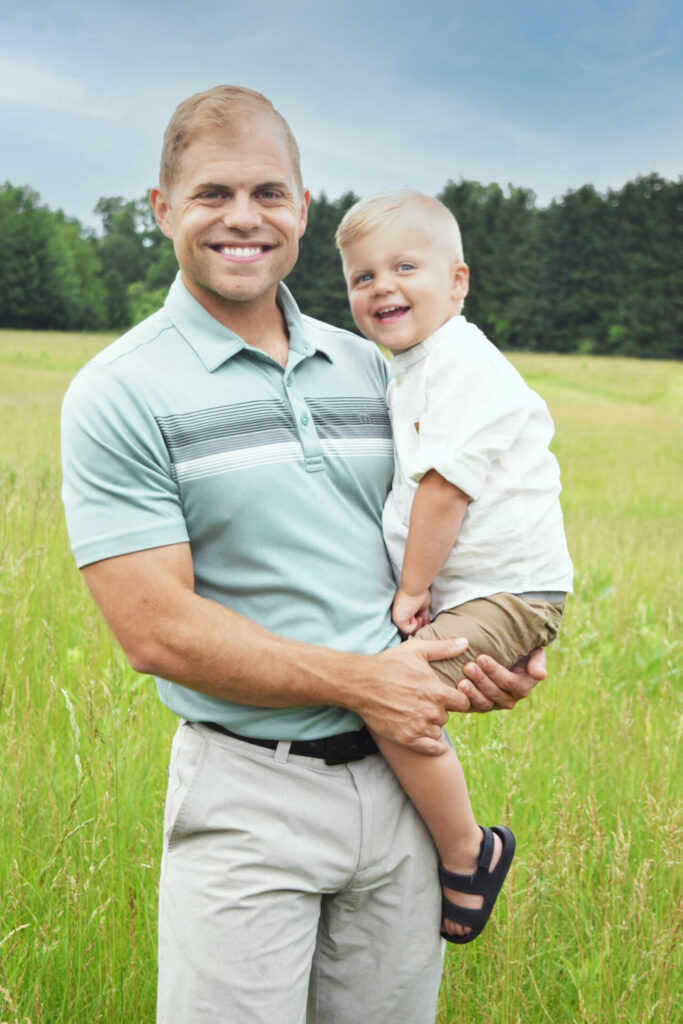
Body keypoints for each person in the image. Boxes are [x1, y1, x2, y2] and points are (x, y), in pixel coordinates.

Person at [61, 86, 550, 1024]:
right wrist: (370, 681)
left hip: (404, 789)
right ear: (162, 209)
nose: (242, 218)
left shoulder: (377, 364)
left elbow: (456, 509)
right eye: (211, 195)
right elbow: (155, 632)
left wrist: (500, 636)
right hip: (249, 794)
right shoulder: (117, 392)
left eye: (268, 193)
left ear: (301, 210)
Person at [336, 189, 573, 943]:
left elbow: (443, 491)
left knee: (397, 700)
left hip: (510, 590)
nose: (382, 288)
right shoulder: (413, 365)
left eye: (405, 266)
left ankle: (469, 849)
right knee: (397, 693)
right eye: (361, 277)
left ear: (458, 281)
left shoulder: (461, 362)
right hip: (479, 587)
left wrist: (411, 588)